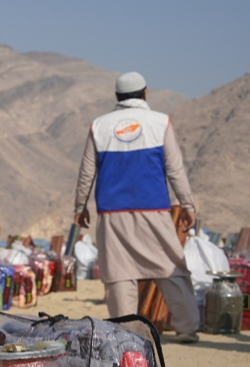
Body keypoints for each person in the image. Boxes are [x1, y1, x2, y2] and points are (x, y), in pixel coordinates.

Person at [74, 71, 200, 343]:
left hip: (111, 214)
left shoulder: (99, 126)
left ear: (117, 97)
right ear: (145, 94)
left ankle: (124, 332)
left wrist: (80, 206)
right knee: (171, 268)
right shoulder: (160, 122)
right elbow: (175, 169)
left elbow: (86, 172)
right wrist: (188, 205)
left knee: (119, 274)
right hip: (154, 210)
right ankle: (188, 327)